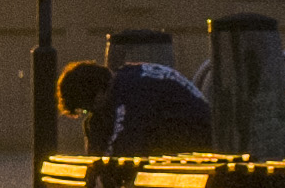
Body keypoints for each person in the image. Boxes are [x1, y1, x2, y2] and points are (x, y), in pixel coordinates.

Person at [57, 51, 220, 157]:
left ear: (98, 94)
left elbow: (123, 148)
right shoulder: (127, 79)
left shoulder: (131, 94)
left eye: (86, 109)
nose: (89, 113)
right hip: (188, 142)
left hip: (197, 147)